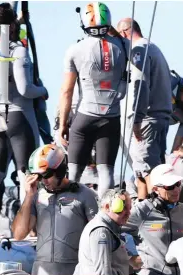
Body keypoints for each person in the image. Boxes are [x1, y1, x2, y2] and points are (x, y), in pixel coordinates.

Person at [11, 144, 98, 275]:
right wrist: (28, 197)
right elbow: (18, 234)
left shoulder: (85, 194)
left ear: (60, 170)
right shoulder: (36, 195)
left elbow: (98, 235)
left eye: (47, 175)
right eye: (39, 176)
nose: (43, 180)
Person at [58, 2, 128, 199]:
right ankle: (102, 214)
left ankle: (70, 210)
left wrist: (63, 123)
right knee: (106, 171)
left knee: (73, 172)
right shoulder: (123, 46)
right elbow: (121, 38)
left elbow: (66, 91)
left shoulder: (75, 49)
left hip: (85, 116)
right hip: (111, 116)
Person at [0, 3, 48, 205]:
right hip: (20, 117)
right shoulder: (18, 50)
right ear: (11, 26)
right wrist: (43, 91)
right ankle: (28, 227)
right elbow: (25, 89)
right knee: (26, 175)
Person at [117, 18, 172, 201]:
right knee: (143, 171)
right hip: (160, 118)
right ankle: (144, 212)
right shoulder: (154, 49)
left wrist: (137, 119)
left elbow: (141, 86)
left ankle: (155, 216)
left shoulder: (138, 50)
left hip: (146, 119)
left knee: (149, 172)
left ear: (124, 32)